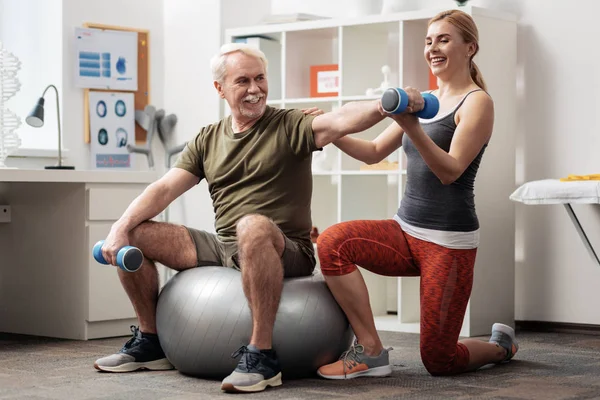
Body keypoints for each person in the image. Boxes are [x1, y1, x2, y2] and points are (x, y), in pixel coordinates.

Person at [92, 42, 387, 393]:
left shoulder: (289, 124)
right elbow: (164, 189)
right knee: (136, 233)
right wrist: (119, 228)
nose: (255, 89)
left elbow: (341, 118)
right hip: (225, 247)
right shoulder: (208, 138)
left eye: (260, 78)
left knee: (253, 226)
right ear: (220, 88)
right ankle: (151, 340)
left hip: (285, 248)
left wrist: (385, 104)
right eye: (243, 81)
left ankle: (262, 355)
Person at [315, 9, 518, 379]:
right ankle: (372, 352)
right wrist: (326, 133)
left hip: (448, 243)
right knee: (332, 243)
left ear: (470, 47)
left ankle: (500, 347)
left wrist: (412, 125)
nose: (433, 48)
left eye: (443, 39)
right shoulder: (423, 100)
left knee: (439, 360)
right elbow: (375, 152)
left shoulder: (477, 103)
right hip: (405, 232)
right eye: (428, 41)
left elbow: (451, 170)